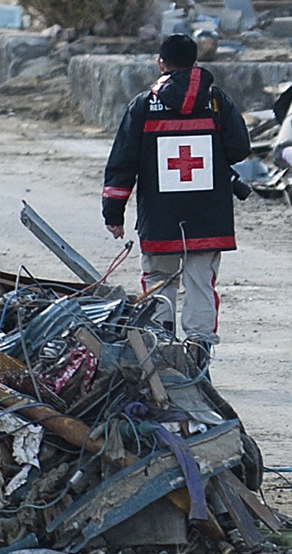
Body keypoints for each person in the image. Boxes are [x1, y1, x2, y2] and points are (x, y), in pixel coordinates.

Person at [104, 31, 255, 341]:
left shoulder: (144, 105)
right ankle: (199, 353)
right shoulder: (216, 102)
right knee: (201, 282)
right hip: (209, 215)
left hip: (159, 218)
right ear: (195, 63)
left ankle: (161, 350)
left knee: (159, 279)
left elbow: (123, 163)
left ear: (161, 65)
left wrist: (113, 213)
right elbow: (240, 149)